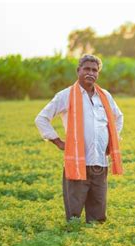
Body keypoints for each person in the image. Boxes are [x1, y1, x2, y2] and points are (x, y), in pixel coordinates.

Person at [35, 54, 123, 224]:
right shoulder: (65, 95)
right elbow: (41, 118)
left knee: (98, 213)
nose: (91, 73)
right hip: (77, 162)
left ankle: (94, 239)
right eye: (87, 69)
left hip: (99, 162)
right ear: (78, 71)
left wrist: (113, 141)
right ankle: (73, 236)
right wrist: (58, 141)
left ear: (98, 74)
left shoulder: (104, 95)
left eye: (94, 70)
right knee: (74, 213)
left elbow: (118, 117)